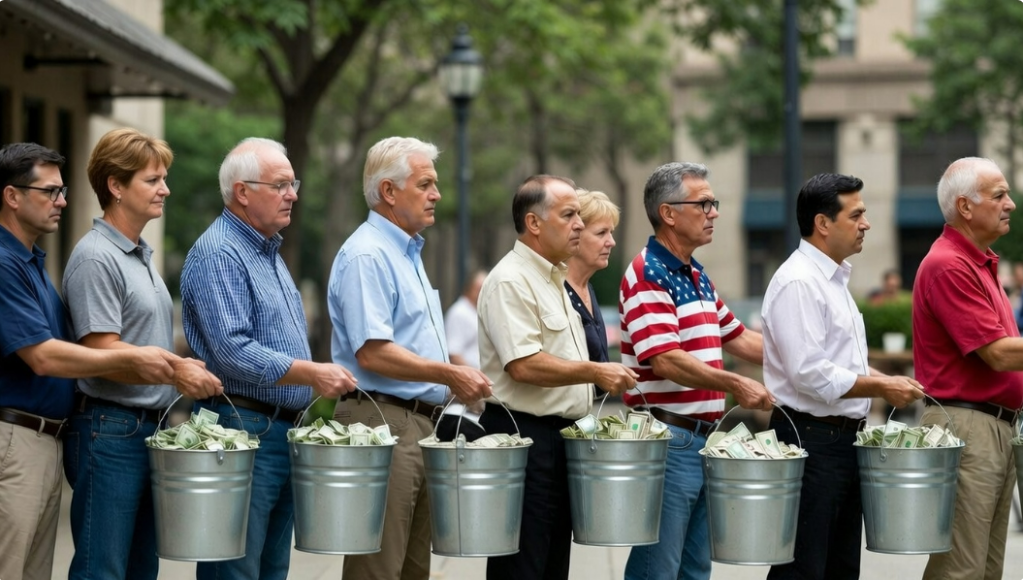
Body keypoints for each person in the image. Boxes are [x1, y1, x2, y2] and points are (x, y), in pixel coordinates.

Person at [181, 137, 358, 580]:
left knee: (270, 570)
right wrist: (312, 373)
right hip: (241, 429)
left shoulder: (267, 251)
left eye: (293, 184)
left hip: (278, 431)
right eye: (280, 185)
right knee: (234, 570)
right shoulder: (219, 252)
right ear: (242, 192)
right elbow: (232, 351)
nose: (292, 194)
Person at [0, 143, 179, 580]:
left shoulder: (30, 262)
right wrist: (154, 362)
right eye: (50, 191)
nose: (62, 201)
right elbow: (43, 356)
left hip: (48, 437)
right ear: (12, 196)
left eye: (62, 191)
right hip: (21, 437)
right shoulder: (6, 263)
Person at [61, 128, 222, 580]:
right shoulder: (97, 258)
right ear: (115, 185)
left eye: (163, 178)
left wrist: (178, 365)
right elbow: (101, 351)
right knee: (101, 570)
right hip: (109, 430)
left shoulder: (139, 255)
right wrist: (174, 372)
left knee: (140, 570)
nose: (165, 189)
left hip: (146, 429)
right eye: (152, 180)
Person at [328, 136, 491, 580]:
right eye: (425, 184)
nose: (437, 194)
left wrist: (450, 383)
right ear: (388, 191)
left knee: (413, 570)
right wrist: (451, 374)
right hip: (383, 421)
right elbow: (373, 352)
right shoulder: (368, 254)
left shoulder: (406, 251)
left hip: (417, 422)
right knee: (377, 569)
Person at [761, 173, 924, 580]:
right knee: (802, 569)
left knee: (840, 568)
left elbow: (841, 364)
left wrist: (885, 379)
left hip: (840, 440)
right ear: (822, 223)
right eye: (856, 215)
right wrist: (881, 385)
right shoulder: (799, 281)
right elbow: (810, 373)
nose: (865, 224)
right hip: (809, 439)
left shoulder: (832, 278)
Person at [477, 175, 638, 580]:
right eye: (569, 216)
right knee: (521, 567)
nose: (579, 225)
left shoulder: (553, 279)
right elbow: (523, 365)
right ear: (534, 223)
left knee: (551, 566)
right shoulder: (511, 279)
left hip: (559, 438)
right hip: (525, 437)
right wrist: (596, 370)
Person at [618, 162, 774, 580]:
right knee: (657, 569)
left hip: (700, 439)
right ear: (668, 213)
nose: (714, 212)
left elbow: (740, 338)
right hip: (669, 442)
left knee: (693, 569)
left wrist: (807, 361)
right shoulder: (648, 273)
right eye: (704, 204)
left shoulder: (695, 273)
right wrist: (735, 382)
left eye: (713, 203)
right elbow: (665, 358)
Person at [912, 157, 1023, 580]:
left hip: (988, 427)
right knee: (960, 569)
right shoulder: (949, 264)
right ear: (965, 207)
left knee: (984, 569)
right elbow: (998, 354)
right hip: (968, 428)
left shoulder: (977, 261)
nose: (1010, 204)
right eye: (999, 195)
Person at [565, 189, 617, 365]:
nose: (611, 242)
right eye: (601, 233)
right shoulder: (555, 290)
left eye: (611, 232)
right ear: (574, 234)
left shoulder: (587, 287)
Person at [445, 270, 487, 368]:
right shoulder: (459, 313)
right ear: (469, 288)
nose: (482, 293)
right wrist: (473, 374)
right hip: (470, 373)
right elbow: (454, 353)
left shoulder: (477, 311)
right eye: (479, 288)